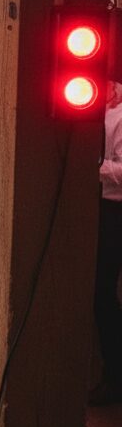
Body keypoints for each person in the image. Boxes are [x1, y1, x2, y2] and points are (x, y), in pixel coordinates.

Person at [91, 79, 122, 405]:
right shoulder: (100, 113)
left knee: (103, 292)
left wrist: (94, 165)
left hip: (116, 211)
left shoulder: (120, 116)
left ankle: (114, 377)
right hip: (101, 207)